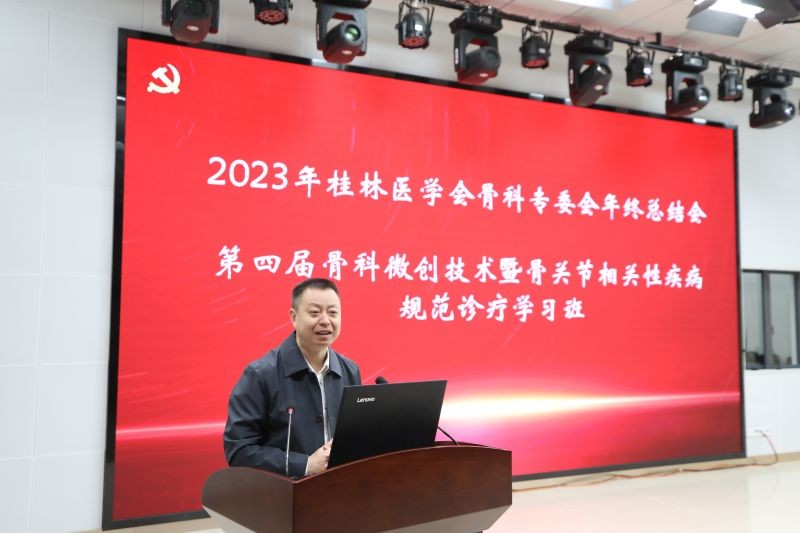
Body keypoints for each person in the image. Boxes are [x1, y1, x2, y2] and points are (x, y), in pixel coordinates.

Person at [223, 278, 361, 477]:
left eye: (333, 313)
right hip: (284, 491)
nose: (325, 320)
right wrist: (305, 465)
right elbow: (239, 451)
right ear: (294, 317)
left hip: (339, 488)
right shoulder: (260, 374)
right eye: (315, 312)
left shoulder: (350, 370)